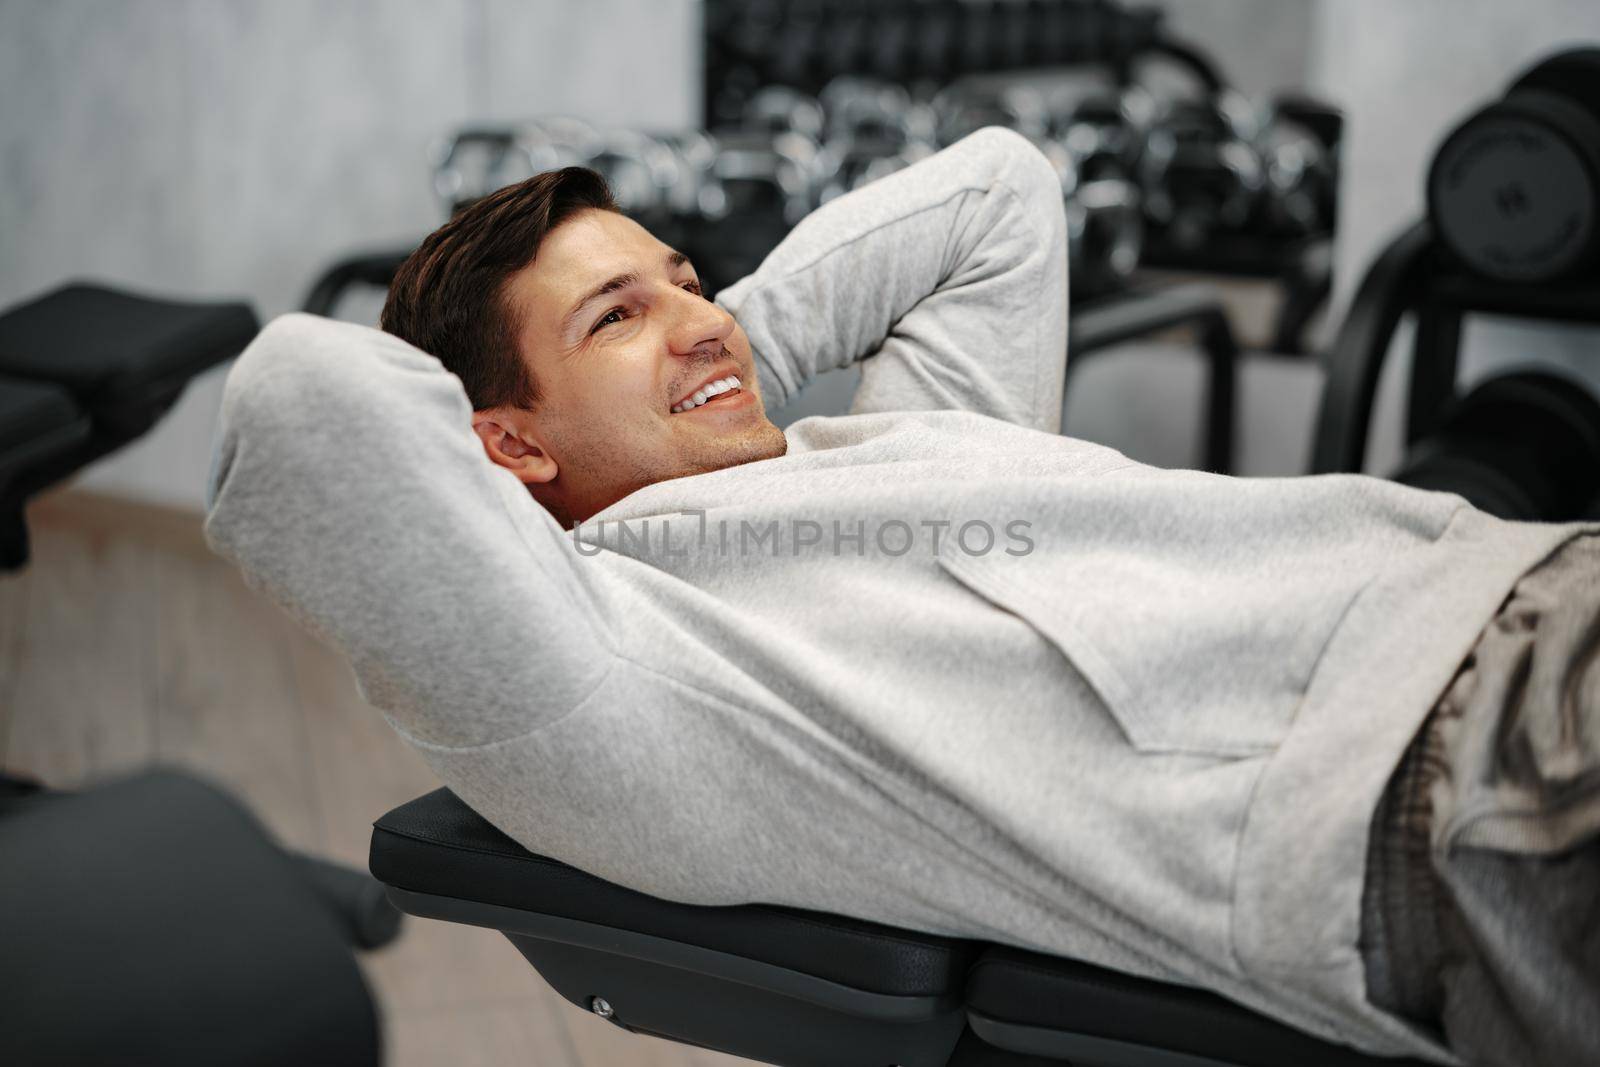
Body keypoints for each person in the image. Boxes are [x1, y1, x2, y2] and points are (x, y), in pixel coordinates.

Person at [204, 127, 1598, 1066]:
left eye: (686, 282)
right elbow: (297, 400)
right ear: (499, 442)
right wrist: (567, 448)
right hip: (1460, 783)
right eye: (611, 317)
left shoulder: (863, 445)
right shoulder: (605, 673)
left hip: (1528, 588)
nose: (700, 317)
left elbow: (997, 192)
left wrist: (702, 358)